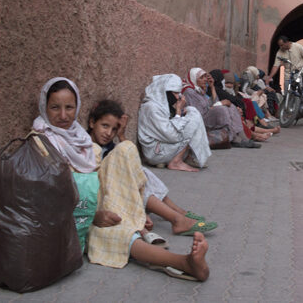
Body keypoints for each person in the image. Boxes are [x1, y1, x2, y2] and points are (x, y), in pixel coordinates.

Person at [32, 77, 210, 281]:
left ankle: (158, 228)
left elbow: (104, 175)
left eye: (69, 107)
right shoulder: (41, 140)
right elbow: (53, 191)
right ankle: (181, 262)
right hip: (77, 213)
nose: (63, 115)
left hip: (102, 201)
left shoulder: (78, 136)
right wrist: (93, 215)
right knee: (112, 232)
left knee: (125, 150)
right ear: (44, 107)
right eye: (55, 107)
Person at [87, 99, 217, 240]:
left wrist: (121, 135)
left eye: (113, 130)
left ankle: (178, 212)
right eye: (104, 126)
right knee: (136, 175)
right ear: (92, 123)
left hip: (119, 188)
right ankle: (177, 219)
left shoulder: (108, 146)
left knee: (142, 171)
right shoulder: (87, 146)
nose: (108, 133)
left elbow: (131, 158)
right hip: (104, 193)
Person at [138, 74, 211, 172]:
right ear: (165, 92)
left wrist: (180, 113)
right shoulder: (152, 108)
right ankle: (176, 161)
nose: (178, 97)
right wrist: (178, 112)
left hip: (163, 145)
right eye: (176, 93)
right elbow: (171, 135)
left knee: (191, 111)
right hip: (156, 152)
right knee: (193, 118)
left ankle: (190, 156)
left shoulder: (160, 104)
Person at [183, 68, 261, 149]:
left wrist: (212, 87)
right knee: (221, 109)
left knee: (231, 106)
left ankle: (243, 138)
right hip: (199, 121)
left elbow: (212, 103)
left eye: (205, 77)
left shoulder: (200, 90)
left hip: (206, 117)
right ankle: (233, 138)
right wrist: (220, 104)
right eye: (201, 78)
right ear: (194, 79)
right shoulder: (190, 92)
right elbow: (198, 113)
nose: (205, 80)